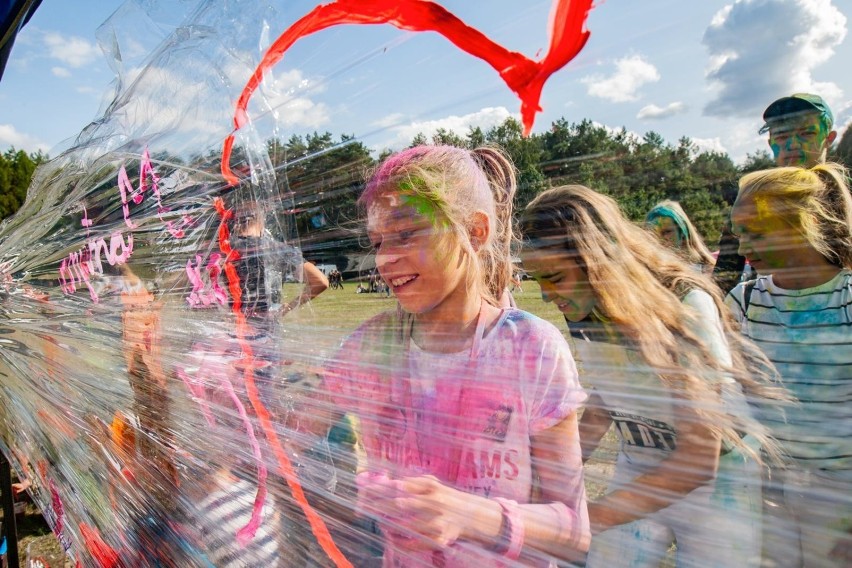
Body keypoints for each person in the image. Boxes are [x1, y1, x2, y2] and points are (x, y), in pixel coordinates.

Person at [315, 145, 590, 566]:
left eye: (406, 234)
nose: (386, 259)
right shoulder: (372, 345)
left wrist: (468, 514)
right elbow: (287, 424)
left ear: (475, 232)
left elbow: (573, 531)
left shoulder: (530, 349)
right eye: (378, 241)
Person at [521, 185, 785, 568]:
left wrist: (586, 518)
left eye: (555, 278)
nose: (546, 295)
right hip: (641, 459)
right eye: (537, 280)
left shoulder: (684, 303)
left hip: (720, 479)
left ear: (598, 261)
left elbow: (699, 456)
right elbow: (607, 395)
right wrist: (552, 478)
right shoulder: (585, 300)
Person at [727, 162, 852, 567]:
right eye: (740, 233)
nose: (743, 246)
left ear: (805, 224)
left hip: (839, 497)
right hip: (764, 489)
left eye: (757, 233)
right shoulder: (744, 301)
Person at [714, 93, 837, 294]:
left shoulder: (845, 195)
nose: (792, 145)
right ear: (770, 143)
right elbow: (725, 274)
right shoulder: (753, 200)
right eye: (782, 136)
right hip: (768, 315)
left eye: (806, 133)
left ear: (829, 138)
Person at [646, 200, 716, 273]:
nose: (660, 238)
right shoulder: (649, 272)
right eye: (654, 234)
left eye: (667, 232)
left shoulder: (706, 269)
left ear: (682, 231)